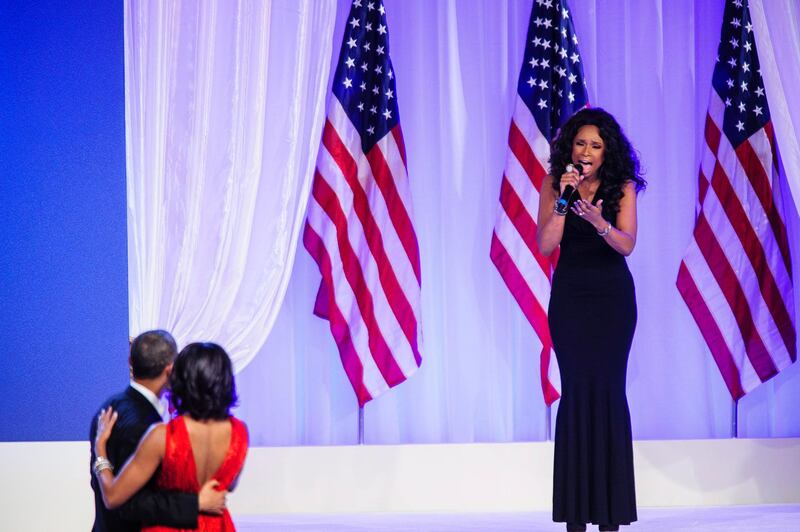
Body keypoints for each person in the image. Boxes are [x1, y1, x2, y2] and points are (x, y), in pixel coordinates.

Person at [537, 108, 646, 532]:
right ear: (571, 148)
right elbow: (546, 243)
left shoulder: (623, 187)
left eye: (596, 146)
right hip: (570, 300)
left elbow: (627, 245)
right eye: (581, 143)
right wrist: (565, 202)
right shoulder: (554, 184)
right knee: (576, 395)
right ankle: (576, 516)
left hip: (612, 301)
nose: (587, 152)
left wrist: (600, 222)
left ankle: (610, 515)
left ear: (607, 152)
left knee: (607, 394)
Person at [94, 342, 248, 532]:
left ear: (181, 380)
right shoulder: (240, 432)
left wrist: (100, 449)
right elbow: (229, 485)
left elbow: (112, 497)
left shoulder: (162, 435)